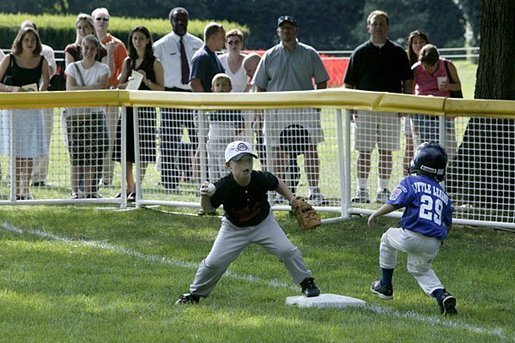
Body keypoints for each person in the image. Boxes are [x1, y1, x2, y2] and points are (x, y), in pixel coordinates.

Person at [176, 140, 320, 304]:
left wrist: (293, 200)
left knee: (287, 250)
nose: (246, 164)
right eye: (239, 161)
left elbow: (276, 182)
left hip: (263, 224)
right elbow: (208, 209)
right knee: (213, 262)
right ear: (228, 165)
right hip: (234, 229)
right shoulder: (223, 186)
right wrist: (204, 196)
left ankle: (306, 281)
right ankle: (195, 294)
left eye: (249, 160)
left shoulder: (259, 178)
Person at [367, 142, 457, 316]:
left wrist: (375, 215)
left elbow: (395, 203)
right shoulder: (444, 195)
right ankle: (442, 295)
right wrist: (441, 239)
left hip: (411, 236)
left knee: (387, 239)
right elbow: (448, 223)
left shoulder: (411, 181)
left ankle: (385, 286)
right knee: (420, 269)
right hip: (434, 242)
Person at [253, 16, 329, 205]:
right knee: (278, 152)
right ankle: (281, 192)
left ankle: (315, 191)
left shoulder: (309, 53)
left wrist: (316, 105)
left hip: (305, 110)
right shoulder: (269, 55)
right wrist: (262, 112)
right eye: (283, 28)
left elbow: (322, 81)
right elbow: (260, 86)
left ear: (296, 31)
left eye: (290, 28)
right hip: (277, 111)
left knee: (311, 150)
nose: (286, 31)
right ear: (278, 32)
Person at [343, 10, 413, 204]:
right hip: (364, 111)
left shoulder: (398, 52)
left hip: (391, 110)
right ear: (368, 27)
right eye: (375, 24)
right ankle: (362, 189)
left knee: (386, 151)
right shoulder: (359, 53)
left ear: (388, 27)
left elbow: (408, 81)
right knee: (364, 151)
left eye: (382, 24)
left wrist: (405, 105)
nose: (378, 27)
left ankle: (383, 189)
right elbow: (348, 85)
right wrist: (350, 109)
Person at [152, 7, 203, 191]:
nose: (180, 23)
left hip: (193, 95)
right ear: (170, 21)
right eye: (176, 20)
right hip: (171, 96)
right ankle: (169, 182)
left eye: (183, 20)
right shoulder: (160, 46)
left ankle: (202, 179)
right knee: (168, 141)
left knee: (199, 139)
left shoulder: (198, 44)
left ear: (188, 21)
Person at [113, 26, 164, 201]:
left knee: (143, 151)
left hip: (146, 112)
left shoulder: (155, 63)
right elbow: (119, 85)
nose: (138, 42)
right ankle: (129, 187)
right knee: (123, 151)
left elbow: (161, 89)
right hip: (128, 111)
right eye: (135, 38)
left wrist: (146, 80)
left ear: (148, 40)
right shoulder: (128, 62)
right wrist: (128, 82)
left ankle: (137, 189)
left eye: (141, 38)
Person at [0, 27, 50, 200]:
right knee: (16, 149)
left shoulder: (42, 60)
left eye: (33, 40)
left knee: (30, 149)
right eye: (26, 40)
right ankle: (14, 189)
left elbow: (45, 81)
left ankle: (25, 190)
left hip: (32, 110)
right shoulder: (9, 58)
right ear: (20, 41)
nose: (30, 43)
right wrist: (14, 90)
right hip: (13, 111)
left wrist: (38, 95)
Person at [64, 34, 110, 199]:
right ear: (81, 49)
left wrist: (82, 88)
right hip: (76, 117)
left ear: (97, 51)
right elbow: (70, 89)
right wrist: (93, 87)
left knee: (93, 154)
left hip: (95, 115)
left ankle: (89, 190)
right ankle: (75, 190)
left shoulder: (103, 68)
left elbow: (102, 89)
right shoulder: (72, 68)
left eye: (92, 48)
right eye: (86, 48)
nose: (89, 51)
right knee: (76, 155)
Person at [92, 7, 127, 187]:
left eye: (105, 19)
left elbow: (125, 71)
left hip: (110, 98)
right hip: (90, 98)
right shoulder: (87, 43)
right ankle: (90, 176)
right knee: (91, 138)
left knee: (109, 138)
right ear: (93, 21)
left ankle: (106, 178)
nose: (102, 22)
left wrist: (117, 84)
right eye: (98, 19)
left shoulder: (117, 45)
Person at [19, 20, 57, 188]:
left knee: (42, 138)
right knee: (20, 139)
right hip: (20, 101)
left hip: (41, 99)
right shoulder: (14, 54)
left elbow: (50, 73)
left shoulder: (46, 51)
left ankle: (39, 177)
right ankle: (16, 176)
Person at [189, 22, 226, 183]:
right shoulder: (202, 56)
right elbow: (195, 82)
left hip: (211, 110)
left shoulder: (212, 55)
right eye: (222, 37)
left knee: (205, 143)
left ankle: (201, 178)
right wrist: (206, 106)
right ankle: (198, 179)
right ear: (213, 37)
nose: (224, 41)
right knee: (203, 144)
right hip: (205, 110)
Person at [412, 44, 460, 161]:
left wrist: (448, 86)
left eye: (432, 67)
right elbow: (410, 92)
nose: (429, 70)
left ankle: (448, 174)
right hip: (423, 112)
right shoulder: (416, 69)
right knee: (423, 146)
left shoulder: (447, 66)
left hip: (444, 111)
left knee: (447, 146)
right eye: (426, 67)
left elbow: (458, 86)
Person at [206, 73, 244, 181]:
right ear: (212, 88)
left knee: (224, 170)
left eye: (224, 85)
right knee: (212, 170)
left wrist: (230, 134)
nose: (221, 88)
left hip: (226, 143)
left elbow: (241, 124)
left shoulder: (232, 104)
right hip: (212, 142)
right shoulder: (209, 104)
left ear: (230, 87)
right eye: (217, 85)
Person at [403, 30, 430, 175]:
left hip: (428, 112)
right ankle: (406, 178)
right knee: (410, 146)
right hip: (410, 110)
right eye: (415, 42)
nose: (418, 45)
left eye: (421, 41)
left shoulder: (433, 60)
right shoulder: (407, 63)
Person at [242, 53, 265, 158]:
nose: (248, 75)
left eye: (250, 71)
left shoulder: (266, 83)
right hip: (259, 130)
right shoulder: (253, 85)